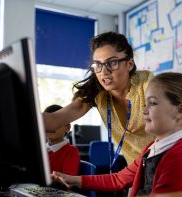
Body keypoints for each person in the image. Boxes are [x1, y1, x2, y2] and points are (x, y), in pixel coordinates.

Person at [51, 72, 182, 197]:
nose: (144, 110)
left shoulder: (181, 158)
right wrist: (74, 180)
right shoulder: (154, 147)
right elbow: (119, 179)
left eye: (153, 103)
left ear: (180, 110)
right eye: (145, 103)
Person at [43, 31, 154, 165]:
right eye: (98, 65)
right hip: (138, 172)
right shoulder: (98, 93)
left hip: (171, 165)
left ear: (129, 64)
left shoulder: (149, 86)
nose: (104, 71)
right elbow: (55, 119)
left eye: (112, 63)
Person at [44, 104, 80, 176]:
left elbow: (67, 182)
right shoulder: (40, 150)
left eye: (55, 122)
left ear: (67, 128)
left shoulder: (71, 151)